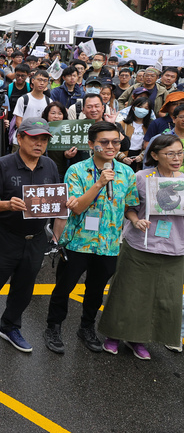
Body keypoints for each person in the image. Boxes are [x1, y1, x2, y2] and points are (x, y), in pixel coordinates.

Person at [0, 118, 75, 352]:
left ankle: (10, 327)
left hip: (35, 238)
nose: (39, 144)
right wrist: (7, 204)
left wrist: (64, 204)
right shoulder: (3, 164)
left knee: (24, 287)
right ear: (20, 138)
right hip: (4, 236)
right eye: (34, 138)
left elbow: (54, 201)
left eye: (44, 139)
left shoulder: (48, 165)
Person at [43, 122, 138, 355]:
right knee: (64, 288)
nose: (111, 146)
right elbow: (77, 208)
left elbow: (130, 205)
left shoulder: (126, 172)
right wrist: (100, 183)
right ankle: (53, 327)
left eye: (115, 142)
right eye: (104, 142)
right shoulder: (76, 171)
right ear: (91, 144)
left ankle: (86, 327)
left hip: (108, 245)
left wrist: (135, 219)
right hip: (77, 242)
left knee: (95, 291)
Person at [98, 135, 184, 359]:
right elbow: (129, 207)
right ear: (154, 155)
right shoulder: (141, 177)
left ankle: (139, 340)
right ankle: (114, 335)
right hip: (140, 245)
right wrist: (136, 221)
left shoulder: (183, 180)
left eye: (180, 153)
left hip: (175, 247)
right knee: (128, 294)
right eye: (170, 154)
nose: (177, 158)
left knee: (161, 298)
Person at [118, 97, 152, 170]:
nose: (142, 110)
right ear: (133, 108)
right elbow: (114, 145)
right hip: (123, 157)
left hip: (139, 160)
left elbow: (152, 145)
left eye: (146, 108)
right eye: (140, 107)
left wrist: (141, 156)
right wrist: (123, 157)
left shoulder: (150, 126)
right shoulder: (122, 124)